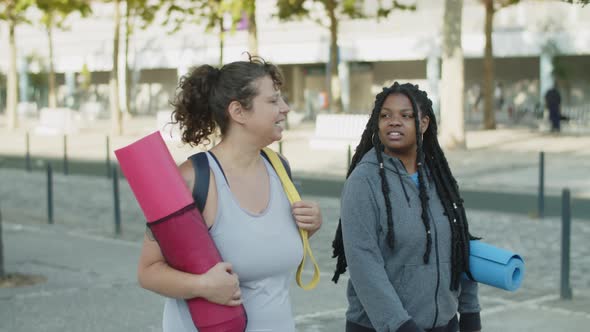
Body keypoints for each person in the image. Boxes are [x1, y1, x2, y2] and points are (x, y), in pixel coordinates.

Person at [137, 56, 323, 332]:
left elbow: (264, 247)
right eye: (273, 101)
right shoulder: (192, 178)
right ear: (238, 112)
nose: (285, 108)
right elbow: (148, 271)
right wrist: (202, 286)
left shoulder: (280, 168)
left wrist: (309, 227)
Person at [331, 82, 481, 332]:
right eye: (385, 115)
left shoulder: (439, 179)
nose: (394, 122)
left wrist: (469, 311)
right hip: (385, 327)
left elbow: (460, 246)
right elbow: (364, 264)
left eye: (405, 115)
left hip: (444, 325)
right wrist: (400, 325)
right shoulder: (363, 181)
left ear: (423, 123)